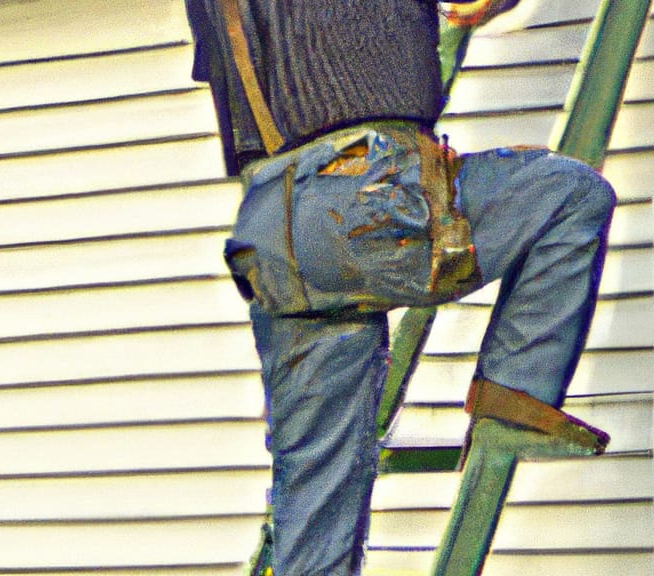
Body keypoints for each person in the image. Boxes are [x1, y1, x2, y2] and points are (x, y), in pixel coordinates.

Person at [184, 1, 617, 574]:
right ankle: (513, 393)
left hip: (273, 230)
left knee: (317, 499)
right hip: (370, 192)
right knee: (571, 194)